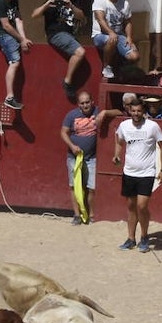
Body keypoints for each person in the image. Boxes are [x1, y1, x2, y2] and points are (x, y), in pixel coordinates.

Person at [113, 97, 162, 253]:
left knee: (142, 206)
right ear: (129, 111)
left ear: (144, 111)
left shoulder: (152, 126)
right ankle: (131, 239)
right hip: (129, 172)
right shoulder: (124, 125)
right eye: (133, 111)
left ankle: (144, 236)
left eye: (139, 111)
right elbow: (118, 140)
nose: (136, 114)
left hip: (147, 172)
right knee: (131, 206)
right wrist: (116, 155)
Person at [60, 90, 121, 225]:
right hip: (74, 156)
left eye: (87, 102)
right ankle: (77, 215)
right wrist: (72, 146)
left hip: (92, 157)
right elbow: (63, 132)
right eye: (82, 103)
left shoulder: (97, 111)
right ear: (78, 105)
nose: (86, 105)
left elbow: (119, 112)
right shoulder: (71, 115)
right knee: (74, 186)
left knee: (92, 187)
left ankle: (92, 214)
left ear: (92, 102)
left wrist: (105, 112)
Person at [31, 0, 86, 98]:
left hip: (69, 35)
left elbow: (81, 16)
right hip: (56, 34)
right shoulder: (52, 2)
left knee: (78, 52)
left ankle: (68, 80)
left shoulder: (73, 2)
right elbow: (34, 15)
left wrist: (71, 6)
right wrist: (46, 5)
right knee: (80, 52)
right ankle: (68, 82)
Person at [0, 0, 31, 110]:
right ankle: (9, 97)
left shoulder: (14, 0)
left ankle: (10, 97)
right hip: (1, 33)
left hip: (11, 34)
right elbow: (6, 25)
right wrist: (21, 40)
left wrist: (24, 38)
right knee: (15, 62)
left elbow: (18, 20)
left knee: (15, 61)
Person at [91, 0, 139, 80]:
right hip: (100, 35)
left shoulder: (125, 4)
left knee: (134, 56)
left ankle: (123, 65)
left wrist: (129, 37)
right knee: (111, 39)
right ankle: (106, 67)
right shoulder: (100, 0)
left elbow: (128, 22)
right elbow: (100, 19)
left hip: (118, 35)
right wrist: (110, 32)